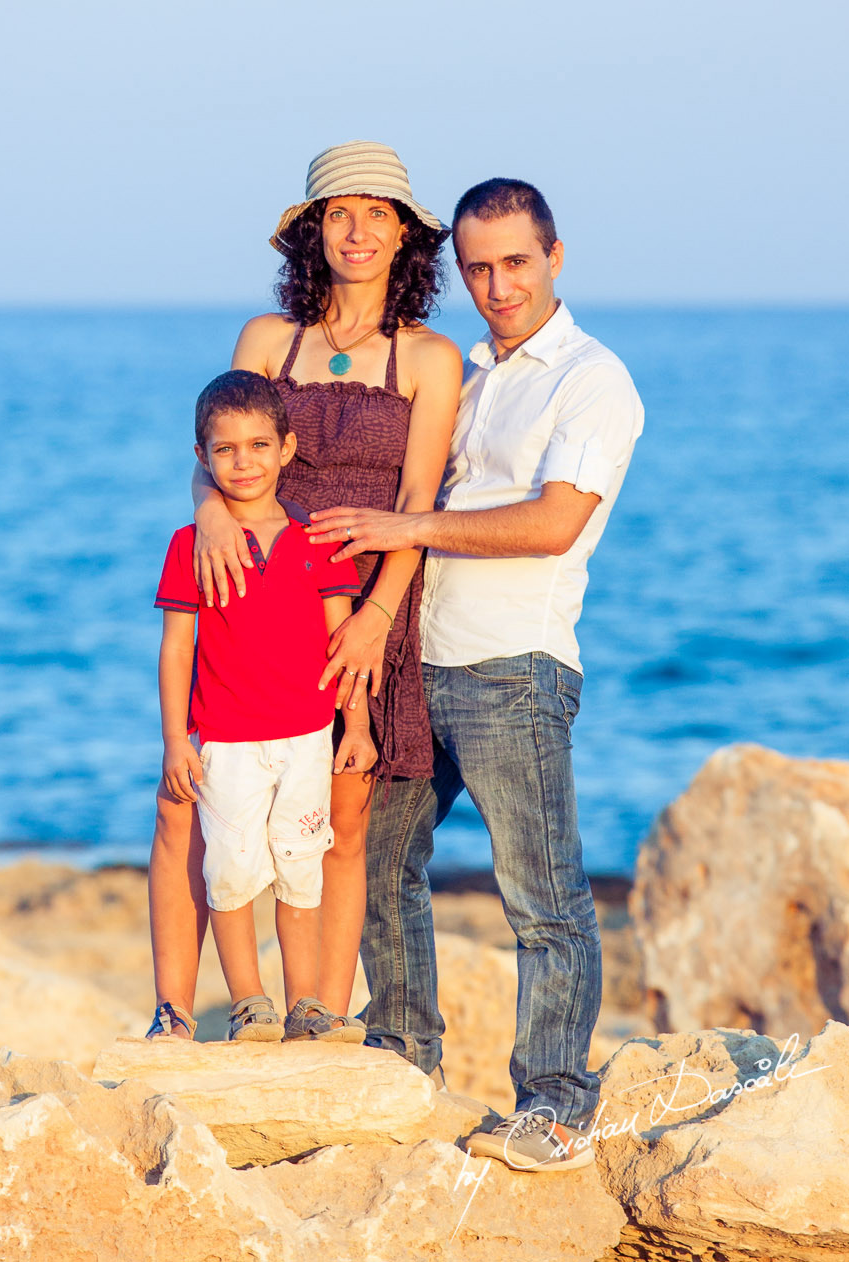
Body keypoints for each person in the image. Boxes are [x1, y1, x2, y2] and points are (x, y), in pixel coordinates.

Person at [307, 177, 645, 1167]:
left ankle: (554, 1106)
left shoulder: (592, 377)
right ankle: (405, 1059)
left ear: (556, 256)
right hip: (415, 659)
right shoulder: (468, 371)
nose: (499, 286)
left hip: (514, 668)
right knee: (375, 864)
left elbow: (553, 521)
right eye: (480, 268)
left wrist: (408, 527)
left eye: (517, 263)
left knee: (541, 898)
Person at [147, 141, 462, 1038]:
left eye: (377, 213)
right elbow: (220, 445)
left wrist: (374, 618)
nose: (357, 231)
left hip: (360, 607)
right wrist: (209, 510)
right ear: (310, 232)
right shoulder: (266, 338)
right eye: (337, 212)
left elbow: (418, 505)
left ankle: (314, 1013)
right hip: (243, 593)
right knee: (193, 806)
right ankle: (174, 1008)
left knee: (339, 817)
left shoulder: (429, 359)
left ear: (404, 234)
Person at [148, 370, 375, 1043]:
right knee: (233, 868)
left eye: (257, 445)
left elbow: (345, 646)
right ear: (201, 458)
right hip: (225, 740)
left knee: (301, 866)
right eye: (225, 450)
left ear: (287, 448)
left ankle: (305, 1003)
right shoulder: (191, 547)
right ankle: (249, 1002)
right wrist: (174, 741)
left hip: (307, 737)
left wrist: (355, 724)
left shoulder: (317, 542)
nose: (242, 462)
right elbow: (176, 651)